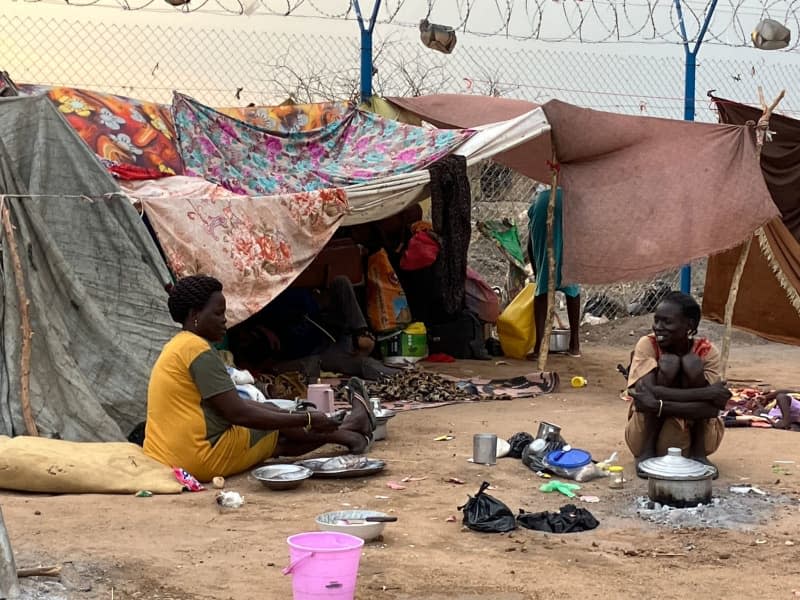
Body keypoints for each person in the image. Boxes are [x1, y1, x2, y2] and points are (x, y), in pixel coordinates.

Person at [143, 275, 376, 482]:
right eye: (217, 313)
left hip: (170, 457)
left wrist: (292, 415)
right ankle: (352, 427)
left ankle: (351, 432)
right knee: (277, 429)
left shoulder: (177, 346)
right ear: (195, 315)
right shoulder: (198, 351)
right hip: (199, 458)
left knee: (275, 420)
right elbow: (239, 413)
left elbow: (233, 403)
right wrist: (305, 417)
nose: (225, 320)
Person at [625, 292, 731, 478]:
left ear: (689, 325)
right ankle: (646, 452)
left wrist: (658, 405)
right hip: (644, 437)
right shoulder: (647, 344)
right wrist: (706, 394)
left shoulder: (707, 352)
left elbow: (712, 410)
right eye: (656, 321)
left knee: (692, 364)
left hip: (696, 435)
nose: (658, 327)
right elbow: (643, 398)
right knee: (669, 364)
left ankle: (699, 454)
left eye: (667, 322)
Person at [229, 276, 398, 382]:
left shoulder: (296, 290)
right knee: (361, 364)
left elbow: (317, 305)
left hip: (330, 337)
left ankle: (362, 333)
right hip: (316, 357)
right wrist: (259, 329)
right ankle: (395, 376)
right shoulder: (254, 303)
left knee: (341, 282)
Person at [526, 187, 581, 358]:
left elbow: (530, 245)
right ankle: (575, 344)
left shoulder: (540, 198)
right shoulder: (571, 192)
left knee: (542, 286)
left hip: (544, 208)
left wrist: (538, 273)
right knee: (571, 281)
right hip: (570, 208)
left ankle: (539, 347)